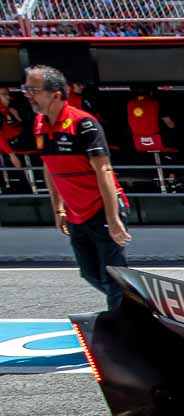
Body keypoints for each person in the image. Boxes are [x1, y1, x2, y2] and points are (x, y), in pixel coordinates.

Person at [23, 65, 132, 310]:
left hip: (101, 209)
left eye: (33, 90)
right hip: (75, 213)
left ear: (56, 94)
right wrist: (58, 209)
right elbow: (49, 168)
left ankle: (124, 326)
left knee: (113, 277)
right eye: (26, 89)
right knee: (90, 273)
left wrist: (113, 219)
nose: (28, 94)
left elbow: (104, 170)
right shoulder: (40, 124)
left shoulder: (83, 124)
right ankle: (137, 304)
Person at [0, 87, 25, 191]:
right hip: (6, 152)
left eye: (8, 94)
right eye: (4, 94)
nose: (8, 97)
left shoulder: (11, 111)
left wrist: (18, 118)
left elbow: (19, 128)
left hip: (18, 148)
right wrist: (11, 154)